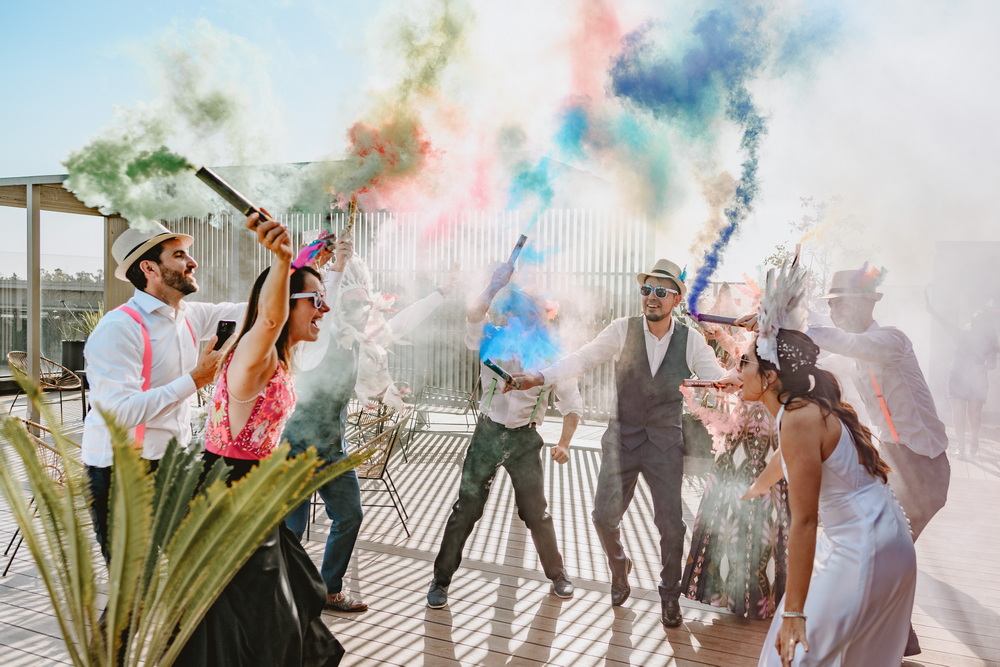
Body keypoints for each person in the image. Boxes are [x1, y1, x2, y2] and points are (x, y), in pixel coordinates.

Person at [509, 259, 728, 627]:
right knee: (602, 517)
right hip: (621, 438)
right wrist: (539, 377)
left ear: (676, 299)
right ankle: (619, 565)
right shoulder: (620, 330)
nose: (651, 298)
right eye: (646, 290)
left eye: (660, 291)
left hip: (663, 443)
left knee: (671, 525)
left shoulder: (691, 341)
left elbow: (720, 381)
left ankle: (669, 594)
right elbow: (582, 358)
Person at [177, 213, 342, 666]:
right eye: (316, 301)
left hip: (252, 495)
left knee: (296, 601)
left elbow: (287, 314)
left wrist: (307, 262)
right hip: (229, 497)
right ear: (287, 304)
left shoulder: (281, 357)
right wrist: (282, 257)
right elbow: (270, 318)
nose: (324, 310)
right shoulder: (256, 351)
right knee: (266, 623)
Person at [282, 243, 447, 613]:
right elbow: (331, 293)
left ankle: (329, 589)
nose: (361, 311)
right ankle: (285, 594)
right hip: (294, 447)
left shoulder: (360, 337)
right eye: (352, 304)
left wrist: (440, 293)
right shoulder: (318, 337)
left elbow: (401, 323)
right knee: (292, 528)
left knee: (350, 515)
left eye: (365, 304)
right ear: (335, 305)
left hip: (332, 447)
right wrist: (338, 266)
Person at [742, 329, 916, 666]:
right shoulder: (805, 408)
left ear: (770, 376)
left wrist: (794, 613)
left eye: (743, 362)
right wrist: (756, 488)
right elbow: (787, 459)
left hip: (863, 545)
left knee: (794, 656)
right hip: (878, 535)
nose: (738, 371)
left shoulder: (798, 417)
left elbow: (805, 521)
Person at [82, 221, 246, 562]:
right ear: (149, 268)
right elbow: (119, 413)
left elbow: (256, 311)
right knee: (131, 585)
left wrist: (299, 268)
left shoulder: (189, 316)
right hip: (121, 471)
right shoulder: (118, 328)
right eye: (180, 255)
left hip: (174, 462)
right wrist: (195, 380)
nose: (193, 262)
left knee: (194, 566)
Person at [426, 261, 580, 609]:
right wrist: (493, 285)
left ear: (545, 317)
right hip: (488, 434)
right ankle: (440, 580)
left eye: (534, 312)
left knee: (535, 513)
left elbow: (573, 405)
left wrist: (565, 443)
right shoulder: (490, 337)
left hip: (525, 441)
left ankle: (558, 575)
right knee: (466, 509)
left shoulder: (553, 357)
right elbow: (472, 314)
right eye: (520, 310)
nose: (525, 318)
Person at [926, 293, 998, 457]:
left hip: (977, 380)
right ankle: (960, 445)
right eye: (973, 321)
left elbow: (992, 364)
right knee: (957, 413)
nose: (972, 324)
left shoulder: (989, 341)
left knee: (973, 415)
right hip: (956, 377)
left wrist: (980, 368)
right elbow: (945, 324)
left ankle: (974, 439)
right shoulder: (961, 335)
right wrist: (932, 311)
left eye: (977, 322)